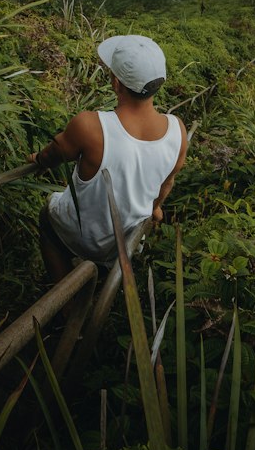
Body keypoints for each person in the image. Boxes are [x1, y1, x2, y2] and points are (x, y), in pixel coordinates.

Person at [31, 35, 187, 285]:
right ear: (159, 82)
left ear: (116, 83)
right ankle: (97, 286)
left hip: (80, 237)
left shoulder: (90, 126)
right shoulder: (177, 131)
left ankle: (62, 301)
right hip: (124, 243)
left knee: (48, 214)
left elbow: (55, 153)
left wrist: (39, 159)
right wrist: (155, 207)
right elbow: (166, 184)